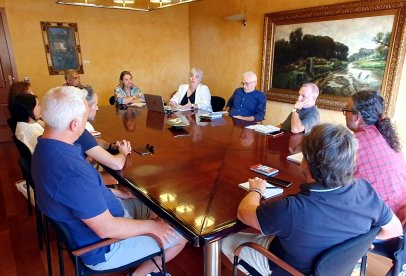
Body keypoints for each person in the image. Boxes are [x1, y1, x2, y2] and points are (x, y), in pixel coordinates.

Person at [32, 86, 186, 275]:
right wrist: (154, 226)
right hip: (104, 248)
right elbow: (107, 228)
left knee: (165, 209)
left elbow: (80, 197)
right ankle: (138, 274)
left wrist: (118, 192)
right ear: (74, 124)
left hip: (107, 215)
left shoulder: (44, 148)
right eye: (84, 118)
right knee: (182, 233)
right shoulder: (71, 171)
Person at [221, 123, 402, 275]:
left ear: (305, 161)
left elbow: (244, 213)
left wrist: (255, 191)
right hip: (341, 268)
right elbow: (395, 229)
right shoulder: (365, 190)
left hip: (288, 268)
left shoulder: (291, 209)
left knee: (226, 241)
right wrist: (360, 244)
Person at [344, 90, 406, 217]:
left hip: (379, 222)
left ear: (357, 116)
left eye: (346, 111)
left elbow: (333, 181)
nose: (345, 115)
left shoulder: (354, 143)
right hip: (399, 214)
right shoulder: (388, 136)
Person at [77, 85, 132, 170]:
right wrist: (123, 152)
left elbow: (94, 141)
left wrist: (112, 146)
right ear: (86, 107)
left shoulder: (77, 128)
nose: (97, 108)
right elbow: (117, 164)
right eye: (96, 105)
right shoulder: (78, 132)